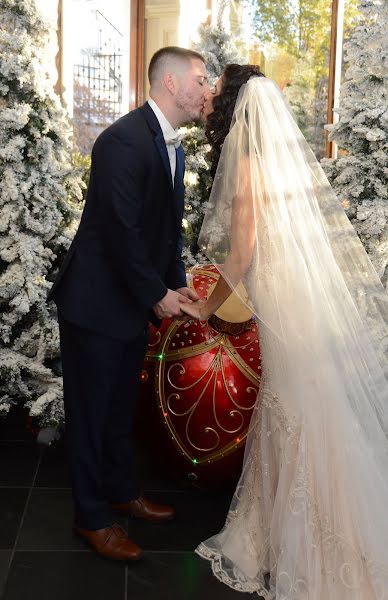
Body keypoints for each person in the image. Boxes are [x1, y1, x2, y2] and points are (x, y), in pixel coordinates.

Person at [181, 64, 388, 599]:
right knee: (299, 407)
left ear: (238, 110)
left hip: (281, 301)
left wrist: (204, 306)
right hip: (296, 299)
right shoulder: (281, 163)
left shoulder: (248, 162)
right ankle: (278, 533)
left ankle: (326, 548)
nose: (213, 99)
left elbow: (243, 255)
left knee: (294, 410)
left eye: (218, 92)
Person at [47, 46, 208, 562]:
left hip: (129, 303)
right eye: (200, 80)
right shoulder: (122, 140)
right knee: (92, 415)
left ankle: (121, 490)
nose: (206, 91)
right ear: (169, 81)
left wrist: (176, 284)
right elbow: (119, 233)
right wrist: (157, 295)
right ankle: (91, 517)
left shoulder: (172, 146)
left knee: (120, 410)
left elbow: (163, 233)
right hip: (95, 305)